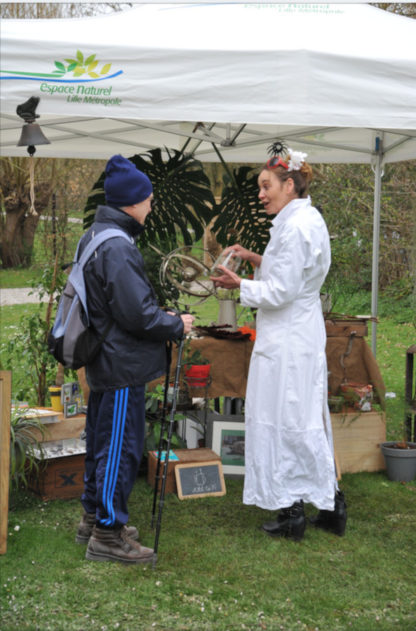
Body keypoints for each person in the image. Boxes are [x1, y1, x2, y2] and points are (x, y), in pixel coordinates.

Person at [211, 148, 346, 542]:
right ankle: (331, 504)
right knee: (302, 419)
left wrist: (240, 284)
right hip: (295, 336)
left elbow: (283, 290)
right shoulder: (302, 220)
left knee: (287, 420)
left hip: (289, 340)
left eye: (266, 186)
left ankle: (292, 514)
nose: (261, 194)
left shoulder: (297, 227)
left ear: (290, 186)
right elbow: (292, 274)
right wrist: (254, 258)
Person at [75, 154, 194, 563]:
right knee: (120, 448)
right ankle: (108, 536)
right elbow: (137, 314)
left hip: (105, 359)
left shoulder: (95, 235)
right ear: (131, 202)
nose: (151, 205)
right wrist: (176, 323)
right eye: (148, 199)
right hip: (121, 362)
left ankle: (93, 517)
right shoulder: (118, 248)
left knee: (101, 441)